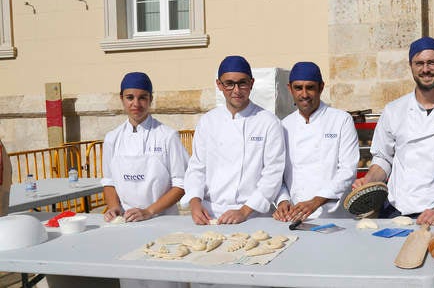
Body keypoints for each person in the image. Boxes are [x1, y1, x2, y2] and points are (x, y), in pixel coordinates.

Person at [352, 37, 434, 225]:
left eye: (432, 62)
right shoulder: (393, 110)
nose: (425, 69)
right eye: (419, 63)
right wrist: (369, 180)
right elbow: (383, 159)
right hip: (395, 209)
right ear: (411, 66)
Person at [183, 56, 285, 225]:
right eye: (229, 83)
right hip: (210, 214)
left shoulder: (268, 122)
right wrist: (195, 203)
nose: (236, 90)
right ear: (219, 85)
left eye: (242, 83)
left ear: (251, 83)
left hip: (253, 215)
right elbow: (196, 168)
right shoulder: (208, 121)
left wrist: (244, 211)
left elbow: (273, 174)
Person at [273, 62, 359, 222]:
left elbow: (348, 170)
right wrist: (282, 200)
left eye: (310, 87)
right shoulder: (283, 125)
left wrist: (316, 201)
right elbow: (277, 173)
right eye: (298, 88)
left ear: (321, 87)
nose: (304, 94)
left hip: (335, 216)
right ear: (290, 89)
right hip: (296, 215)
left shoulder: (341, 120)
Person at [101, 72, 188, 222]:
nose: (136, 104)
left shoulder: (167, 136)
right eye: (130, 98)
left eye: (142, 97)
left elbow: (181, 184)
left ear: (150, 99)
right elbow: (109, 182)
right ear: (121, 98)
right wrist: (114, 206)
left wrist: (149, 211)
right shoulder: (112, 139)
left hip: (162, 219)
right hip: (126, 220)